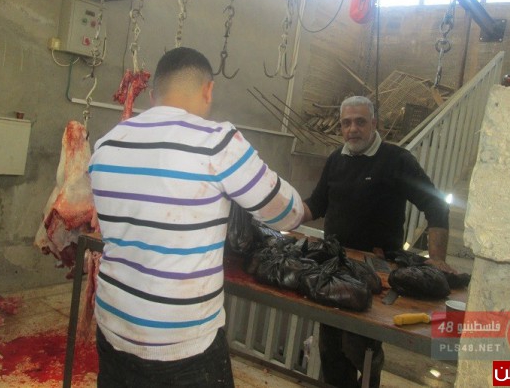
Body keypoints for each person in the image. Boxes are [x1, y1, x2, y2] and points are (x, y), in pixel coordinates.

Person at [88, 47, 304, 387]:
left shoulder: (107, 144)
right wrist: (303, 208)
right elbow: (286, 213)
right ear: (208, 90)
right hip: (182, 343)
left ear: (154, 95)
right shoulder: (216, 142)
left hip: (113, 326)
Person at [302, 95, 455, 388]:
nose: (352, 129)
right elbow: (317, 203)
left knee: (360, 350)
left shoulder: (397, 160)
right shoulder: (336, 159)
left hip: (378, 271)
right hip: (335, 266)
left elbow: (436, 205)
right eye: (346, 123)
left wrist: (437, 258)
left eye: (360, 122)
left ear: (374, 123)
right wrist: (284, 211)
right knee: (331, 346)